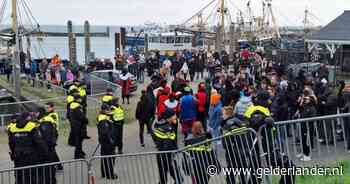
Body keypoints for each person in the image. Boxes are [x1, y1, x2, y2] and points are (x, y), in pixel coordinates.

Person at [7, 112, 49, 184]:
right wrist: (45, 153)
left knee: (20, 175)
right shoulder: (31, 126)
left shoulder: (12, 128)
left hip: (18, 156)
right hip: (31, 155)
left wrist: (13, 153)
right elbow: (39, 142)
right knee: (33, 175)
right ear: (27, 118)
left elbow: (11, 143)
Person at [152, 108, 183, 184]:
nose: (176, 116)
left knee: (163, 180)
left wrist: (174, 124)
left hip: (160, 156)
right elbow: (168, 145)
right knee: (179, 179)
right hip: (167, 157)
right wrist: (175, 150)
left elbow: (156, 139)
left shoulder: (160, 125)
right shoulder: (168, 129)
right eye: (174, 115)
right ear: (169, 117)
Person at [37, 107, 58, 184]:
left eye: (37, 113)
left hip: (47, 149)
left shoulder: (45, 121)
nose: (36, 114)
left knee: (48, 169)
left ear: (40, 112)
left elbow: (47, 138)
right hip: (48, 148)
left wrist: (44, 148)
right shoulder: (43, 120)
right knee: (48, 168)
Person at [97, 104, 118, 179]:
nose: (109, 111)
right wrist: (111, 140)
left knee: (105, 157)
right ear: (104, 110)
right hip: (107, 142)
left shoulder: (104, 117)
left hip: (105, 142)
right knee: (110, 158)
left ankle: (104, 173)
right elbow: (105, 132)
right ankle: (110, 174)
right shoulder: (103, 120)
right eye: (108, 109)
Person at [69, 95, 89, 159]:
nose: (81, 100)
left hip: (75, 125)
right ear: (77, 99)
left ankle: (80, 152)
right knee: (79, 141)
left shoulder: (73, 105)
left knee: (79, 140)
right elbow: (81, 116)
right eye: (80, 99)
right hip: (79, 126)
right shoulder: (77, 107)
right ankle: (78, 154)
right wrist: (86, 120)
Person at [45, 102, 63, 171]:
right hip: (50, 134)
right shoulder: (48, 114)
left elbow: (53, 125)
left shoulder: (53, 115)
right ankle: (58, 165)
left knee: (52, 151)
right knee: (52, 150)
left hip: (53, 134)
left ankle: (56, 166)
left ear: (52, 108)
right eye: (46, 107)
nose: (46, 109)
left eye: (48, 107)